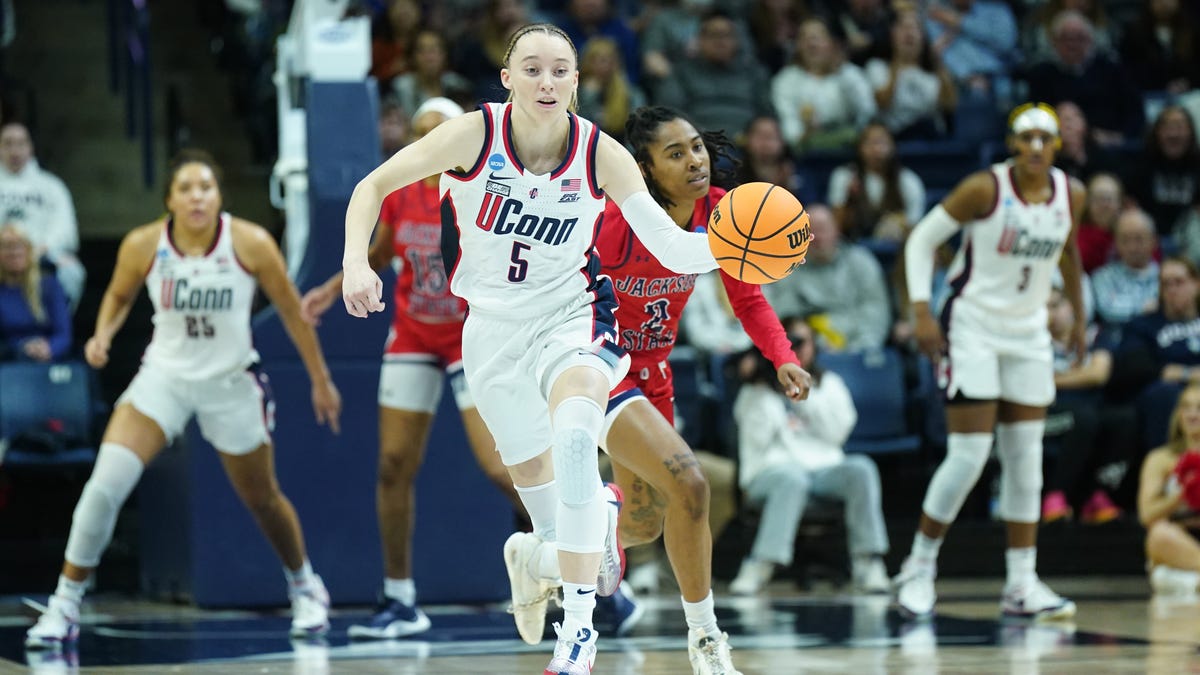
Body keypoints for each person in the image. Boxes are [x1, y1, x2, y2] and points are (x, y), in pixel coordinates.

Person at [340, 24, 722, 675]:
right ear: (508, 78)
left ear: (576, 83)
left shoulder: (600, 153)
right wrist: (355, 263)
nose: (547, 81)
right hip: (490, 337)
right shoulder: (473, 135)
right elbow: (369, 188)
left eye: (560, 71)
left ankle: (576, 636)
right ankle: (536, 558)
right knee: (567, 546)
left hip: (573, 320)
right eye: (533, 69)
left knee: (577, 437)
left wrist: (741, 249)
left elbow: (675, 247)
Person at [24, 150, 343, 649]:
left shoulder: (250, 243)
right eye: (187, 188)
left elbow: (292, 312)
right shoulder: (144, 243)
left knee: (262, 498)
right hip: (165, 378)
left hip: (231, 381)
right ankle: (65, 604)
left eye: (206, 188)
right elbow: (119, 295)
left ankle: (306, 586)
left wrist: (321, 380)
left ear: (219, 196)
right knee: (105, 485)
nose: (197, 196)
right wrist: (103, 333)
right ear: (170, 199)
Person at [582, 104, 811, 672]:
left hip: (654, 373)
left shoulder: (724, 217)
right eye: (675, 153)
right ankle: (706, 640)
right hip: (601, 364)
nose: (694, 161)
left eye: (697, 147)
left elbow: (749, 299)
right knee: (691, 482)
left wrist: (782, 357)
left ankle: (557, 546)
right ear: (644, 167)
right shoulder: (616, 219)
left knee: (643, 522)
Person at [301, 98, 520, 639]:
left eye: (437, 132)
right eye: (418, 135)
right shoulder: (400, 194)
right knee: (394, 464)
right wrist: (333, 288)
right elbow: (379, 252)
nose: (428, 143)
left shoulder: (484, 192)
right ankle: (399, 599)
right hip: (415, 333)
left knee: (500, 467)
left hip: (473, 337)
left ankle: (593, 559)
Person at [894, 102, 1087, 621]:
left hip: (1028, 331)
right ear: (1012, 144)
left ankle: (1022, 584)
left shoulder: (1072, 193)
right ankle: (919, 566)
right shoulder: (985, 188)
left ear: (1057, 146)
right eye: (1026, 138)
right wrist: (920, 309)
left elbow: (1068, 253)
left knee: (1027, 458)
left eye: (1046, 139)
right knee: (970, 455)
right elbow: (921, 240)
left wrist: (1078, 314)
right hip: (972, 325)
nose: (1036, 148)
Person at [731, 316, 888, 595]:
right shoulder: (755, 390)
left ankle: (868, 561)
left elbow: (838, 433)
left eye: (802, 341)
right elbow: (757, 438)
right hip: (771, 472)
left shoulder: (830, 384)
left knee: (862, 468)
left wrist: (805, 394)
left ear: (814, 345)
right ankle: (760, 563)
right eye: (789, 341)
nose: (797, 348)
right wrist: (770, 385)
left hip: (823, 470)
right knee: (792, 479)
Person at [0, 122, 85, 310]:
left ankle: (56, 332)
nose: (15, 151)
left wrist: (38, 250)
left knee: (72, 272)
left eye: (21, 144)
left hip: (41, 255)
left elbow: (66, 230)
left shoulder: (52, 186)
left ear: (30, 148)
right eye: (8, 144)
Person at [1137, 383, 1200, 596]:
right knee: (1159, 534)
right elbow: (1147, 515)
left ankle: (1188, 581)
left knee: (1166, 577)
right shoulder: (1160, 459)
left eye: (1199, 408)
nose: (1192, 414)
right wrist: (1183, 494)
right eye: (1186, 407)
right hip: (1180, 537)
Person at [0, 223, 71, 362]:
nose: (14, 252)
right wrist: (21, 349)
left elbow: (64, 334)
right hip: (7, 362)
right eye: (7, 246)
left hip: (47, 361)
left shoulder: (49, 285)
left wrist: (50, 348)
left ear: (29, 251)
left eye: (20, 246)